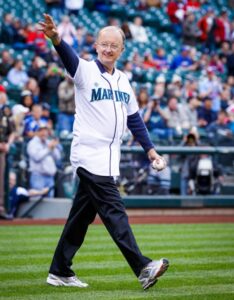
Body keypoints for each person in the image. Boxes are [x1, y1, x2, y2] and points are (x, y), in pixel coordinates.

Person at [39, 14, 169, 290]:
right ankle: (143, 267)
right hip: (88, 155)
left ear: (122, 50)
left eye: (114, 45)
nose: (108, 49)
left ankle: (60, 270)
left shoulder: (123, 80)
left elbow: (134, 119)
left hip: (109, 159)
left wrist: (151, 150)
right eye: (104, 44)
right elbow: (69, 58)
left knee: (81, 217)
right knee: (114, 211)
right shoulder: (85, 71)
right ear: (96, 46)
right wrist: (56, 39)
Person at [27, 124, 62, 197]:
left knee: (49, 204)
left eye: (45, 130)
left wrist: (53, 148)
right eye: (41, 131)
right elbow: (37, 157)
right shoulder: (32, 143)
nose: (44, 133)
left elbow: (57, 157)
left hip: (50, 178)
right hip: (38, 177)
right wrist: (49, 149)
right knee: (37, 202)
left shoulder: (48, 142)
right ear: (37, 132)